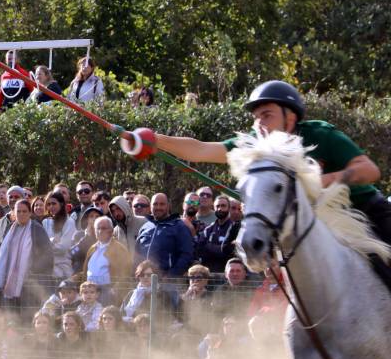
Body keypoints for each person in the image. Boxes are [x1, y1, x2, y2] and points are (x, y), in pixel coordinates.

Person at [152, 80, 391, 244]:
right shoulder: (257, 144)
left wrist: (315, 181)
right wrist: (153, 140)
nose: (259, 124)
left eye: (267, 115)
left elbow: (369, 170)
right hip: (313, 228)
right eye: (256, 117)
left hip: (365, 212)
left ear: (291, 117)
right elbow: (201, 149)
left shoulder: (321, 135)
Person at [0, 200, 53, 315]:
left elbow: (47, 254)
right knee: (11, 315)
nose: (21, 214)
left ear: (30, 213)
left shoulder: (36, 229)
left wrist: (32, 270)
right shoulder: (10, 228)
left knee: (28, 314)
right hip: (10, 280)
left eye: (24, 211)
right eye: (18, 211)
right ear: (14, 213)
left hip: (30, 282)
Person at [135, 193, 194, 278]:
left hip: (168, 281)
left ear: (168, 206)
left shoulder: (179, 227)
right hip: (144, 279)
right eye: (155, 204)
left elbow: (187, 255)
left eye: (162, 204)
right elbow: (137, 254)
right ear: (150, 207)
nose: (158, 207)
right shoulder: (145, 227)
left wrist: (171, 275)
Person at [83, 216, 132, 305]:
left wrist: (115, 290)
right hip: (89, 290)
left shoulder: (119, 249)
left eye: (104, 228)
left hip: (107, 292)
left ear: (111, 231)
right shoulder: (92, 248)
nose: (100, 231)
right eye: (98, 228)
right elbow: (85, 271)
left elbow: (125, 273)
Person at [195, 196, 237, 273]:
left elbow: (229, 252)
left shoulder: (235, 228)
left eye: (223, 206)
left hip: (229, 273)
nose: (220, 209)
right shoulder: (208, 229)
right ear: (214, 208)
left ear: (228, 208)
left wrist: (209, 246)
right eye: (217, 206)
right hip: (209, 274)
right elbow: (200, 251)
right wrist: (221, 248)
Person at [42, 192, 76, 279]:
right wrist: (53, 241)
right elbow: (42, 247)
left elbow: (63, 248)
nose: (51, 207)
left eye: (54, 203)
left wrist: (48, 244)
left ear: (61, 204)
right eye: (49, 204)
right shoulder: (45, 222)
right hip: (47, 270)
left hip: (64, 271)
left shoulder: (69, 222)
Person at [70, 207, 103, 274]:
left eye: (97, 216)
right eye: (91, 216)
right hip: (81, 274)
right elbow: (72, 253)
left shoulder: (105, 237)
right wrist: (87, 237)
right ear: (87, 219)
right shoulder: (78, 235)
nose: (94, 219)